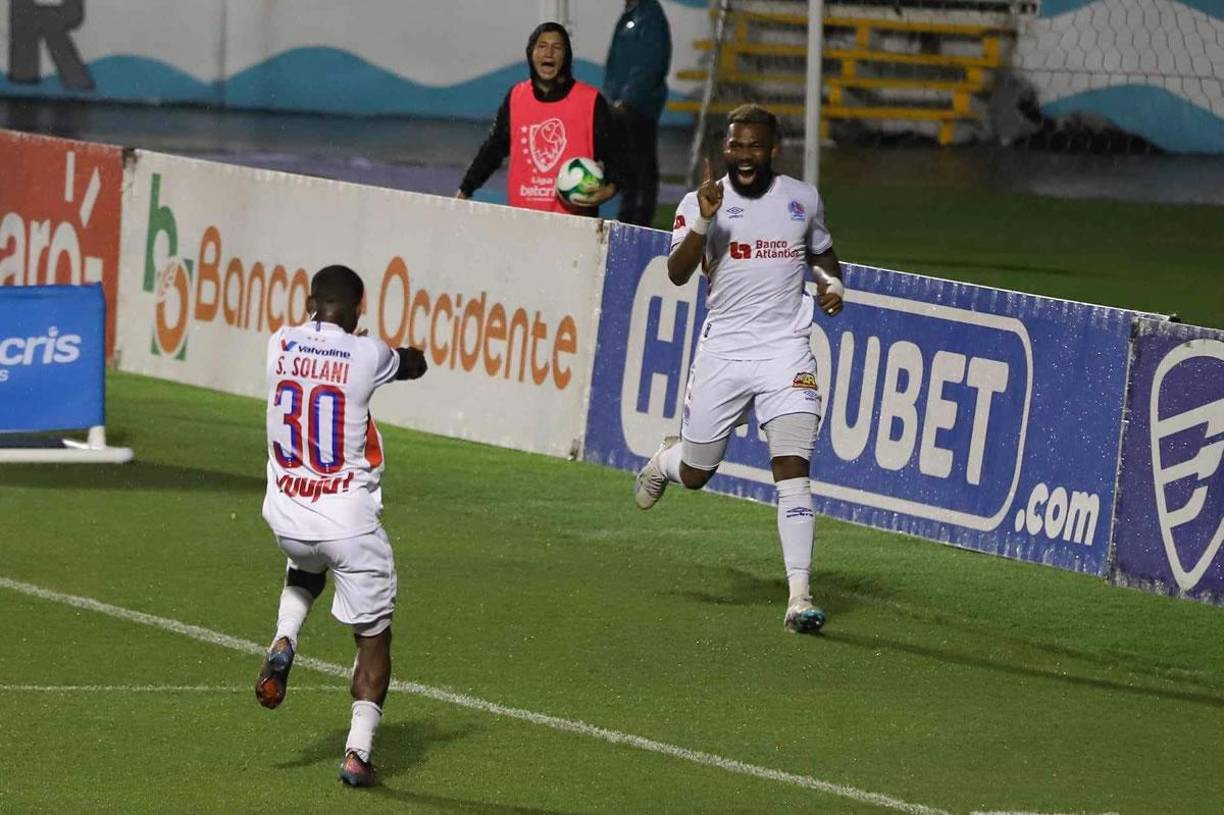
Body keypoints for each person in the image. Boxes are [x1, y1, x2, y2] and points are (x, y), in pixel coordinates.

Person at [633, 104, 845, 635]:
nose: (743, 155)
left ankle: (800, 598)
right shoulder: (699, 202)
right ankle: (665, 460)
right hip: (724, 353)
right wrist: (705, 219)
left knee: (793, 468)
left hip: (786, 352)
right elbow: (678, 273)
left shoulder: (802, 199)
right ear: (725, 149)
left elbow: (823, 253)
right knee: (699, 473)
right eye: (735, 146)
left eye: (753, 146)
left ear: (773, 150)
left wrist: (831, 285)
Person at [254, 264, 428, 787]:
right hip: (347, 522)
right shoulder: (365, 353)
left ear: (309, 304)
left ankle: (285, 637)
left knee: (305, 562)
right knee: (373, 639)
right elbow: (413, 365)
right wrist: (394, 350)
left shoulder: (278, 341)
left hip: (287, 514)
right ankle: (358, 753)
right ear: (358, 309)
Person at [456, 21, 621, 215]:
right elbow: (493, 149)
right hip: (524, 220)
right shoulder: (516, 97)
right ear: (531, 53)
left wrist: (608, 190)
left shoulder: (590, 101)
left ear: (566, 56)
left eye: (557, 47)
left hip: (576, 225)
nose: (548, 53)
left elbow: (620, 157)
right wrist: (466, 189)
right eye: (542, 46)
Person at [602, 0, 672, 226]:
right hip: (621, 104)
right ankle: (627, 213)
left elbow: (652, 62)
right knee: (626, 161)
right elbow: (616, 61)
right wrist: (612, 96)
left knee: (641, 162)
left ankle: (641, 217)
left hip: (639, 105)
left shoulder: (650, 17)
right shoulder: (632, 15)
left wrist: (629, 98)